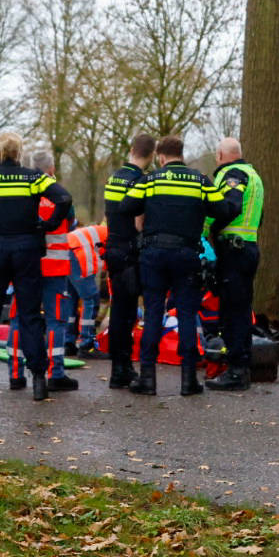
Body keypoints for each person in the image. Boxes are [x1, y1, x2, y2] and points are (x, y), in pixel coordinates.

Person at [119, 135, 239, 397]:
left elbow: (126, 206)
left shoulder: (150, 180)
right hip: (186, 254)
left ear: (161, 157)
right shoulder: (199, 180)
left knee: (153, 314)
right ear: (181, 154)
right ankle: (188, 381)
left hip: (154, 255)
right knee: (186, 315)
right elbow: (224, 210)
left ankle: (148, 380)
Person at [0, 131, 74, 403]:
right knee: (30, 316)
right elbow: (64, 199)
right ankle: (38, 381)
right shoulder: (33, 178)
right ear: (19, 152)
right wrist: (46, 226)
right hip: (26, 251)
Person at [6, 151, 79, 392]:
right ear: (52, 169)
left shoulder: (22, 194)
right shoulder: (60, 196)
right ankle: (55, 373)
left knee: (18, 317)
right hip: (56, 268)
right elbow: (72, 223)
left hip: (26, 266)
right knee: (55, 320)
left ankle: (15, 374)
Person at [207, 137, 264, 392]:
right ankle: (241, 366)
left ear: (220, 154)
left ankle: (236, 371)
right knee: (241, 308)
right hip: (247, 246)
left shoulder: (234, 174)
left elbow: (230, 206)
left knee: (233, 311)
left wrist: (212, 228)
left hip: (233, 249)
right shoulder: (254, 175)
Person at [103, 133, 155, 389]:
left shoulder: (114, 177)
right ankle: (124, 367)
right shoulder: (140, 181)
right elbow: (139, 222)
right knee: (127, 312)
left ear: (132, 149)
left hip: (112, 247)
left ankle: (117, 368)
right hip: (129, 251)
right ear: (152, 155)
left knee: (118, 310)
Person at [66, 221, 106, 354]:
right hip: (79, 251)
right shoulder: (121, 238)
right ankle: (86, 344)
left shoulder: (106, 231)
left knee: (70, 299)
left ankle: (68, 343)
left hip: (67, 250)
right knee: (91, 298)